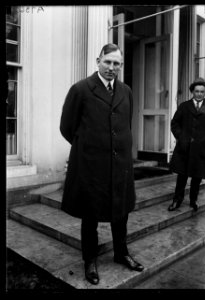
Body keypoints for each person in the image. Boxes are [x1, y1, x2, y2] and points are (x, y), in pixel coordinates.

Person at [60, 43, 144, 285]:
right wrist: (89, 147)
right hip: (91, 165)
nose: (111, 67)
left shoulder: (126, 91)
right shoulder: (81, 89)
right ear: (98, 61)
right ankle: (89, 260)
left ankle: (121, 253)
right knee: (91, 215)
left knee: (121, 212)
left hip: (120, 165)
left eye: (116, 63)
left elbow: (125, 123)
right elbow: (67, 127)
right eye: (107, 62)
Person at [168, 78, 205, 212]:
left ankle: (193, 201)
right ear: (192, 92)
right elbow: (175, 123)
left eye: (202, 92)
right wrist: (181, 137)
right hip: (184, 148)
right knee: (182, 176)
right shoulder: (184, 106)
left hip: (200, 149)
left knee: (197, 177)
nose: (199, 94)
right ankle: (177, 200)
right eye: (196, 91)